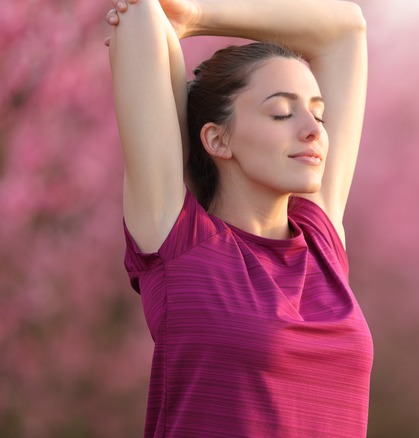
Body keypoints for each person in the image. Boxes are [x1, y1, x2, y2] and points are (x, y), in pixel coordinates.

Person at [104, 0, 372, 436]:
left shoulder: (321, 245)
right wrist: (159, 16)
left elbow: (347, 29)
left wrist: (196, 14)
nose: (314, 129)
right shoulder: (182, 246)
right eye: (282, 112)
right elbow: (139, 16)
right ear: (217, 139)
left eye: (318, 113)